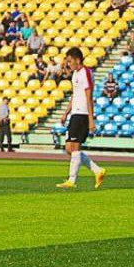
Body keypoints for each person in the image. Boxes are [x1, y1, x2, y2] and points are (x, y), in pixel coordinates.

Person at [56, 47, 106, 189]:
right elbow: (75, 95)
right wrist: (66, 112)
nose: (68, 64)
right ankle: (98, 170)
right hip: (75, 114)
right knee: (69, 148)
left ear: (77, 60)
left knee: (75, 147)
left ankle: (72, 180)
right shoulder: (75, 74)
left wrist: (91, 119)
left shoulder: (86, 73)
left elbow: (88, 97)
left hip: (83, 114)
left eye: (70, 61)